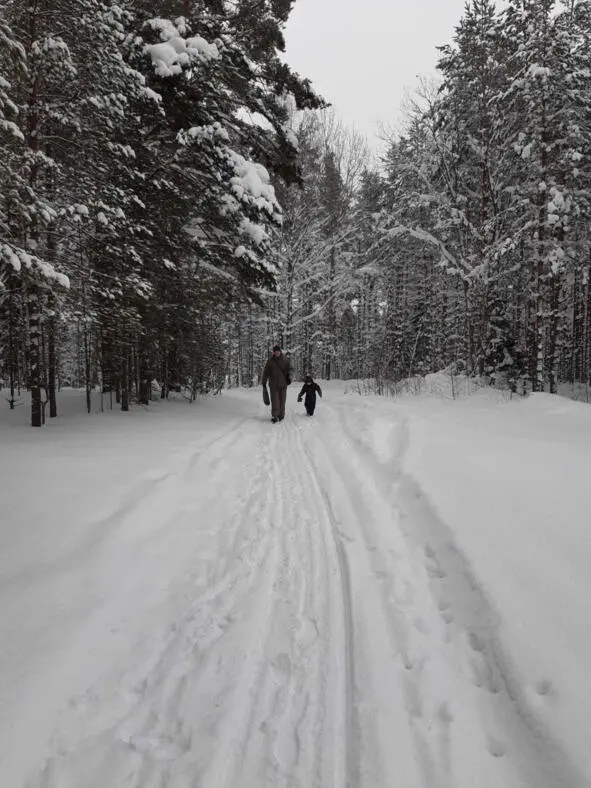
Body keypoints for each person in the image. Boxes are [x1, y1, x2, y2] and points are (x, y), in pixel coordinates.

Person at [262, 344, 291, 423]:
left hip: (283, 384)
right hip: (273, 385)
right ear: (273, 352)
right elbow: (266, 372)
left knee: (282, 401)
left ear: (280, 351)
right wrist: (263, 382)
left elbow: (291, 369)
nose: (277, 353)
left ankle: (281, 415)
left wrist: (289, 376)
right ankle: (275, 416)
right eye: (275, 351)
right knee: (275, 401)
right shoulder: (270, 361)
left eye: (278, 351)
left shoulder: (285, 359)